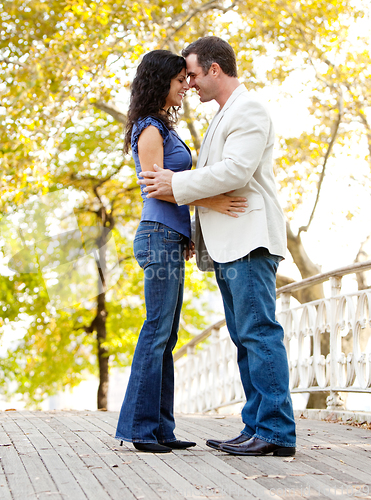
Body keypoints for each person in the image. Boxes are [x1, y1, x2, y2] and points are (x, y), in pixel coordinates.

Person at [138, 37, 297, 457]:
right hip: (228, 245)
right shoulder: (222, 116)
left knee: (259, 335)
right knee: (245, 338)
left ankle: (276, 431)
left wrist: (177, 184)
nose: (188, 84)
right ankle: (256, 426)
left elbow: (237, 170)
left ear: (214, 69)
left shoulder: (249, 109)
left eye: (191, 73)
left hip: (249, 239)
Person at [115, 50, 248, 453]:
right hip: (156, 235)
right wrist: (213, 203)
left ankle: (162, 429)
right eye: (178, 82)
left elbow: (177, 187)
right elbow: (158, 187)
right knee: (156, 331)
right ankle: (140, 428)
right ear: (161, 83)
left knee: (166, 334)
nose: (185, 87)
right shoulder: (150, 129)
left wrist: (186, 231)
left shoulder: (162, 127)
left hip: (169, 237)